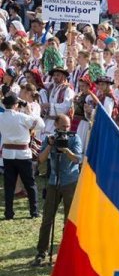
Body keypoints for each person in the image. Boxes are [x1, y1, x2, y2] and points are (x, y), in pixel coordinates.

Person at [31, 114, 80, 266]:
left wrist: (66, 150)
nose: (66, 130)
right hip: (53, 181)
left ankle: (66, 253)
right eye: (63, 126)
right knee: (47, 219)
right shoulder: (49, 138)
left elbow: (77, 159)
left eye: (68, 126)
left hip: (70, 182)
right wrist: (51, 145)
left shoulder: (74, 138)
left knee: (69, 219)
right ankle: (41, 252)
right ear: (56, 125)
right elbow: (41, 159)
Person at [0, 93, 45, 220]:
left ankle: (8, 213)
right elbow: (40, 125)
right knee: (30, 183)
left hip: (8, 153)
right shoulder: (22, 117)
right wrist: (29, 110)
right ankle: (34, 211)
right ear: (16, 105)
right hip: (23, 154)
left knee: (9, 185)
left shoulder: (1, 116)